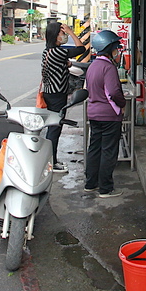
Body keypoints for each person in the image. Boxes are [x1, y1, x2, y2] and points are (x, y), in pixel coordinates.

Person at [84, 30, 127, 197]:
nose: (117, 51)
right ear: (109, 49)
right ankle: (105, 188)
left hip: (94, 114)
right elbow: (114, 92)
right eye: (116, 47)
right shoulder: (108, 67)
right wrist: (122, 104)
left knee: (94, 149)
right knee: (108, 151)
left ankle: (90, 183)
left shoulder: (93, 65)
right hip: (109, 116)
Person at [41, 21, 85, 172]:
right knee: (55, 129)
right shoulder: (57, 52)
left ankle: (49, 159)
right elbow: (81, 48)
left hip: (50, 93)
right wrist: (72, 32)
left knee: (53, 128)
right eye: (62, 33)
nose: (64, 36)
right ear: (55, 35)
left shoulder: (48, 52)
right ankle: (51, 162)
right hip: (56, 95)